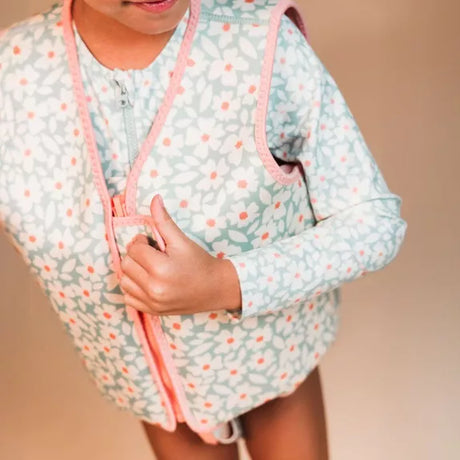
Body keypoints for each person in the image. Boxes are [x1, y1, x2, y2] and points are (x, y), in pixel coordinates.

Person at [0, 0, 408, 458]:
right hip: (157, 394)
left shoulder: (261, 44)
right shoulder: (12, 74)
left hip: (276, 360)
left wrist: (225, 283)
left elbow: (373, 224)